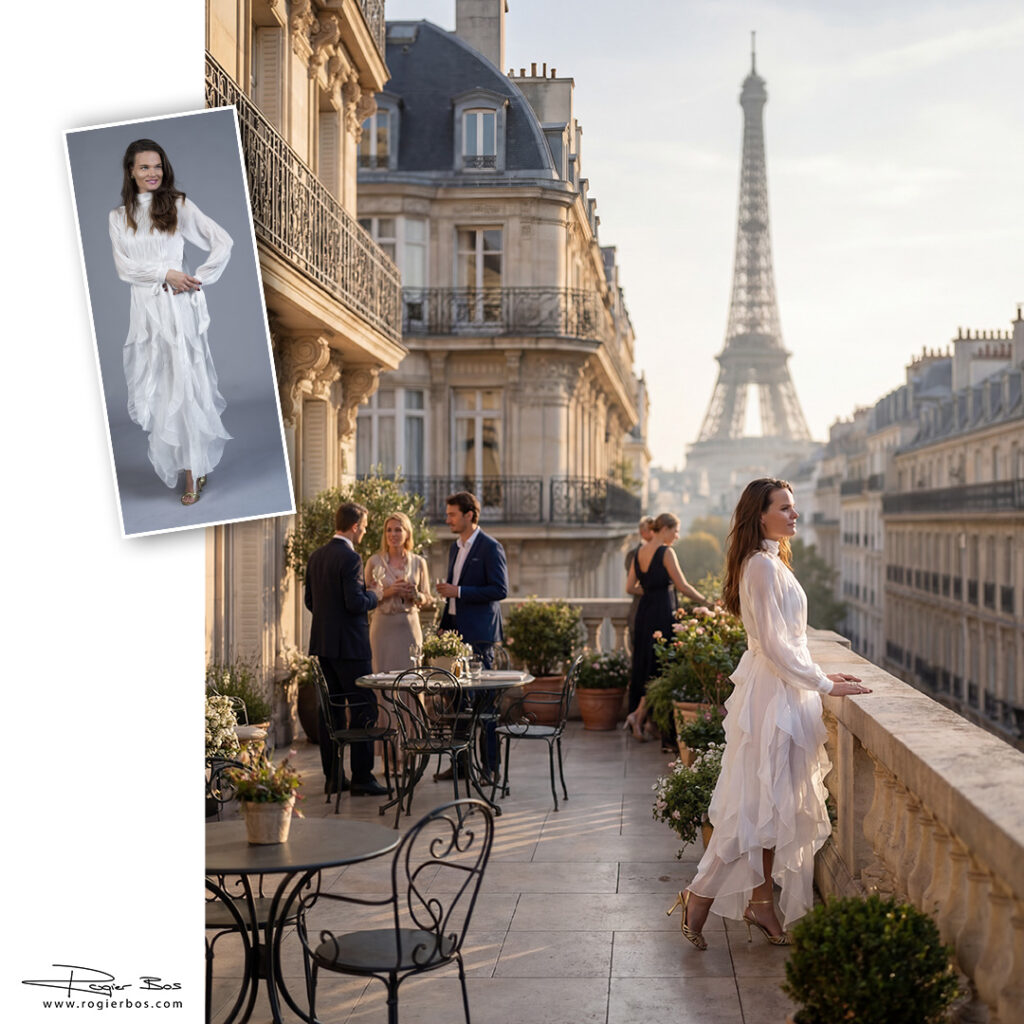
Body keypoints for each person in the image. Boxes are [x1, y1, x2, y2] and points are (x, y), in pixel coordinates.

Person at [670, 478, 871, 950]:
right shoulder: (761, 567)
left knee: (766, 805)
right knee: (754, 807)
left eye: (794, 507)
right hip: (773, 699)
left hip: (783, 695)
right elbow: (778, 647)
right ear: (761, 515)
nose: (795, 515)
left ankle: (760, 903)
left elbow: (790, 643)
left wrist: (821, 678)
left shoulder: (772, 562)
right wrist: (823, 683)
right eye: (785, 508)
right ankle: (698, 897)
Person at [109, 139, 233, 506]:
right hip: (146, 314)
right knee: (161, 387)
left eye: (157, 166)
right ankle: (190, 462)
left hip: (178, 312)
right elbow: (124, 268)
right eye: (144, 167)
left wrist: (198, 280)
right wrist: (166, 272)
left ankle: (194, 472)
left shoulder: (177, 205)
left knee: (186, 383)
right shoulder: (118, 217)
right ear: (130, 170)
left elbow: (222, 241)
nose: (152, 173)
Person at [304, 502, 388, 797]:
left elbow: (310, 602)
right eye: (363, 527)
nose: (364, 532)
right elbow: (355, 603)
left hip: (323, 646)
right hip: (352, 649)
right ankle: (362, 777)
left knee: (332, 713)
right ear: (354, 527)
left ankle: (334, 779)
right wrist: (374, 595)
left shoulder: (316, 556)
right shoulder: (351, 559)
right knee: (365, 708)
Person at [436, 491, 509, 777]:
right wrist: (444, 624)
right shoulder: (455, 547)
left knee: (485, 705)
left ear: (469, 515)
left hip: (479, 636)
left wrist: (461, 592)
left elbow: (500, 590)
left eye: (452, 514)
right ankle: (460, 765)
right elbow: (451, 591)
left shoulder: (491, 547)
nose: (448, 519)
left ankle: (490, 768)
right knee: (455, 702)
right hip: (454, 634)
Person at [625, 512, 707, 740]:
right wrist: (706, 602)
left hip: (644, 613)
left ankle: (644, 719)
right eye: (676, 531)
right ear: (665, 529)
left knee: (645, 665)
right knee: (660, 668)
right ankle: (639, 717)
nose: (677, 536)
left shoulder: (639, 551)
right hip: (662, 612)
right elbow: (683, 586)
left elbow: (630, 587)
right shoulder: (666, 552)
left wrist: (650, 591)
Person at [364, 511, 432, 671]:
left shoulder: (419, 562)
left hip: (409, 627)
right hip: (382, 627)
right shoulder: (374, 562)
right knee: (381, 675)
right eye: (389, 530)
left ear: (407, 533)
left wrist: (415, 595)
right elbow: (365, 597)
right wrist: (390, 591)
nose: (392, 534)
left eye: (398, 530)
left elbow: (428, 598)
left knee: (411, 677)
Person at [625, 516, 656, 652]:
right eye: (652, 530)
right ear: (643, 533)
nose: (656, 533)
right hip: (641, 609)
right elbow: (632, 585)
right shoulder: (634, 555)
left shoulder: (662, 551)